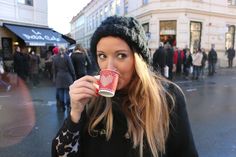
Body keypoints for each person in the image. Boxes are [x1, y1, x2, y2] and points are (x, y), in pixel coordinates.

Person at [52, 16, 198, 157]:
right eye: (102, 56)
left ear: (138, 59)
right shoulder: (91, 100)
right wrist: (75, 113)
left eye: (121, 55)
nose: (109, 67)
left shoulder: (168, 98)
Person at [52, 46, 76, 111]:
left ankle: (62, 106)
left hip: (59, 77)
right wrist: (74, 76)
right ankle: (68, 105)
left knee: (60, 92)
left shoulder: (55, 58)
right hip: (67, 76)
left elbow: (54, 69)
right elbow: (71, 68)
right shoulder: (67, 57)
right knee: (68, 91)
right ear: (64, 50)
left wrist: (54, 78)